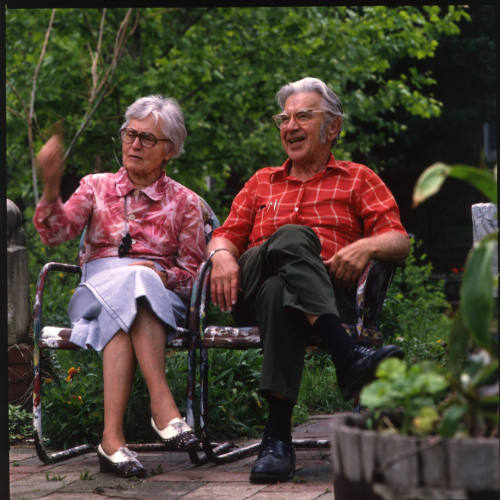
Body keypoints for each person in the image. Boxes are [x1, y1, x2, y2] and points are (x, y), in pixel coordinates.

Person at [207, 77, 410, 483]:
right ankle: (347, 355)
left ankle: (277, 439)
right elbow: (225, 234)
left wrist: (366, 247)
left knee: (284, 290)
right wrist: (221, 257)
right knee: (293, 236)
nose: (290, 125)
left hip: (322, 293)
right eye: (284, 118)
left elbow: (398, 240)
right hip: (250, 281)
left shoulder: (358, 178)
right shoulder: (261, 180)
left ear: (332, 127)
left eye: (303, 116)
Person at [33, 95, 206, 478]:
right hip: (94, 292)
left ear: (170, 151)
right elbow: (55, 234)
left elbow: (193, 275)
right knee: (132, 280)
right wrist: (50, 187)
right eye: (131, 134)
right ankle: (163, 407)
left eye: (148, 138)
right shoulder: (95, 186)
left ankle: (112, 440)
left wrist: (161, 276)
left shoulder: (186, 203)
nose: (135, 144)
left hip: (159, 301)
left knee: (137, 287)